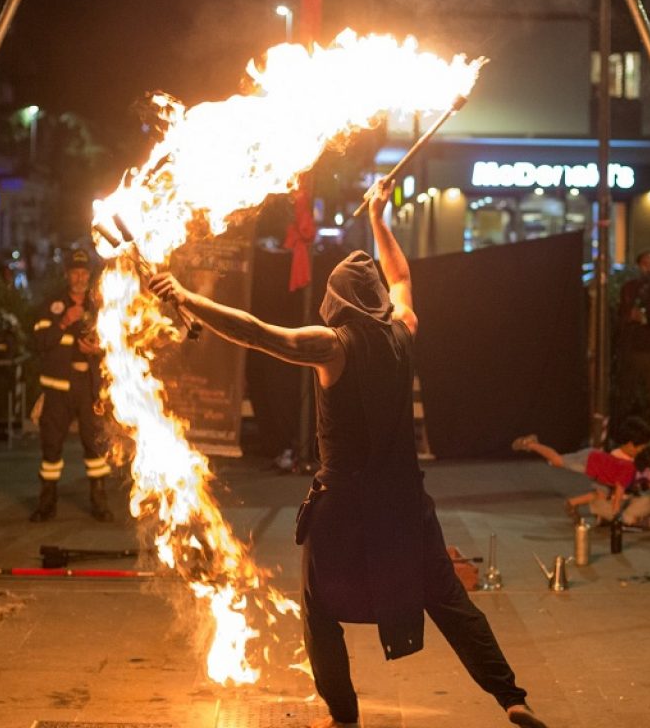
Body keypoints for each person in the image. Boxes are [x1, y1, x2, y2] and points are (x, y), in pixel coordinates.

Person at [150, 179, 548, 728]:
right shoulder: (402, 331)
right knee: (450, 601)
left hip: (344, 504)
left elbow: (257, 333)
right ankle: (511, 697)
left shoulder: (331, 346)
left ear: (336, 301)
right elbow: (402, 278)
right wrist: (379, 218)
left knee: (319, 611)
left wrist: (185, 296)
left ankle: (344, 718)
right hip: (405, 502)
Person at [29, 247, 113, 523]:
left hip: (88, 388)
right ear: (67, 274)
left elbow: (116, 345)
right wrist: (64, 321)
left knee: (95, 446)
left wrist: (97, 350)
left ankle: (99, 503)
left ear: (89, 275)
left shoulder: (99, 305)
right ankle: (46, 504)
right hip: (58, 388)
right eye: (75, 272)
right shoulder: (52, 305)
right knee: (51, 447)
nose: (79, 277)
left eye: (84, 272)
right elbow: (40, 342)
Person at [510, 417, 650, 524]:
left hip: (596, 469)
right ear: (630, 444)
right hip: (589, 461)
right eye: (641, 447)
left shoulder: (628, 457)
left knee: (601, 493)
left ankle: (572, 503)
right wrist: (616, 510)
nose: (642, 450)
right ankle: (531, 444)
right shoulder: (623, 459)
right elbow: (619, 487)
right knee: (557, 460)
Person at [614, 248, 650, 429]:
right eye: (645, 264)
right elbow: (619, 317)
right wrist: (630, 316)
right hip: (631, 348)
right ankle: (622, 431)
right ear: (639, 266)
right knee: (625, 394)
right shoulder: (629, 288)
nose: (649, 268)